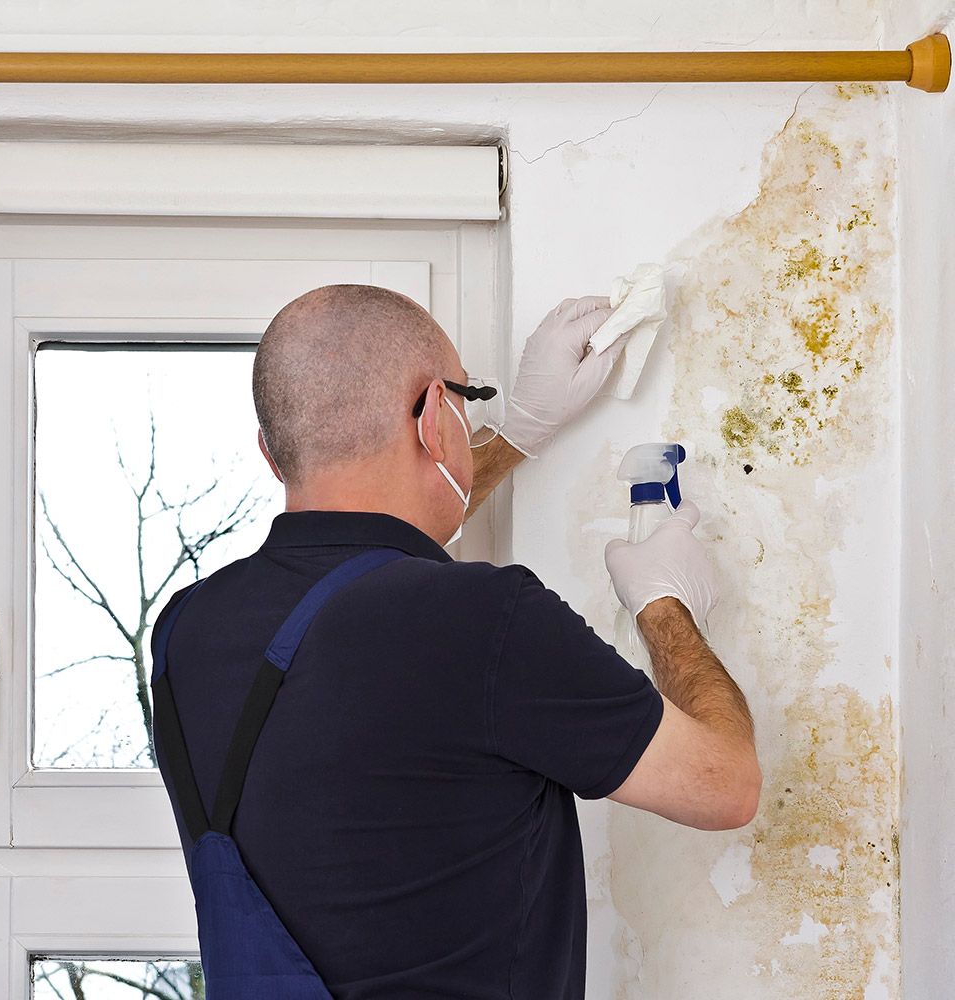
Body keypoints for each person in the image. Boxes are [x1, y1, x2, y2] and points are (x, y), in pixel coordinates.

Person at [152, 283, 760, 999]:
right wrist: (665, 605)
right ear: (435, 414)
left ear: (271, 450)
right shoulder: (484, 619)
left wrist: (518, 433)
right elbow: (724, 785)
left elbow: (363, 557)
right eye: (467, 403)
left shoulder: (187, 630)